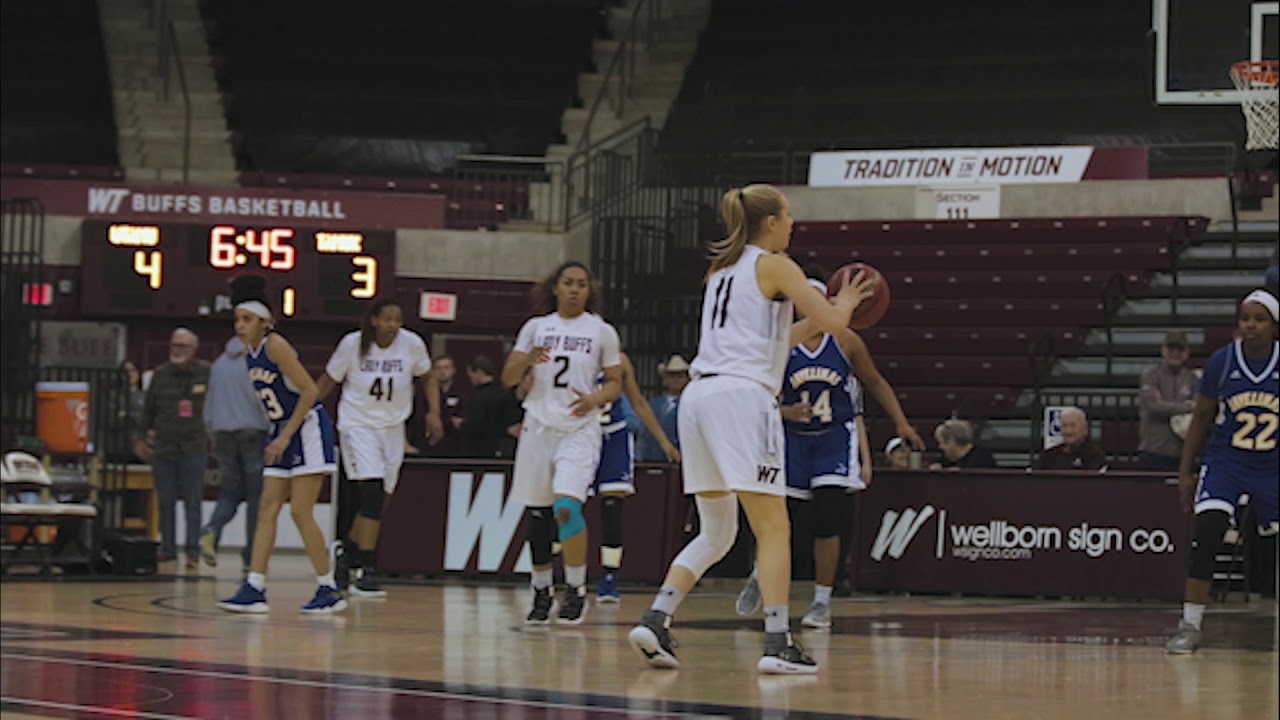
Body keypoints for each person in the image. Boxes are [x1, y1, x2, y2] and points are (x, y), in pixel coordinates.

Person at [627, 183, 876, 675]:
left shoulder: (721, 272)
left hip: (700, 398)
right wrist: (845, 301)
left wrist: (830, 315)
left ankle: (656, 618)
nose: (792, 225)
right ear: (771, 222)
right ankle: (778, 640)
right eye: (788, 217)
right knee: (773, 525)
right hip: (742, 398)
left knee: (718, 531)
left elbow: (782, 338)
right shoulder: (777, 264)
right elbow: (830, 319)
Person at [735, 274, 926, 628]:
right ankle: (760, 576)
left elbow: (874, 381)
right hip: (790, 439)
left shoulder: (847, 341)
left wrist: (900, 422)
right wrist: (784, 412)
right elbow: (754, 398)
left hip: (834, 438)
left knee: (828, 519)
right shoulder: (781, 345)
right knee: (781, 521)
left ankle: (822, 601)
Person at [502, 261, 623, 625]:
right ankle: (541, 589)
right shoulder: (536, 328)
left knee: (567, 508)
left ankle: (575, 589)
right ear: (555, 288)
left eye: (581, 284)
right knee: (538, 517)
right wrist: (526, 359)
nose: (574, 289)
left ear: (590, 290)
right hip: (538, 426)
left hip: (578, 428)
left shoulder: (602, 331)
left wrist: (595, 398)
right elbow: (508, 378)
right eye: (568, 283)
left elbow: (616, 382)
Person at [216, 275, 345, 615]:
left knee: (301, 511)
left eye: (246, 320)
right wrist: (278, 433)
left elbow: (310, 391)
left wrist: (287, 435)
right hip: (282, 430)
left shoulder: (276, 345)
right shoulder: (249, 353)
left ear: (265, 321)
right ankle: (255, 585)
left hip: (307, 428)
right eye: (237, 320)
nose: (240, 327)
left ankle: (328, 587)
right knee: (266, 509)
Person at [1167, 289, 1278, 654]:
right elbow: (1201, 418)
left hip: (1271, 465)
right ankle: (1191, 624)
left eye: (1260, 319)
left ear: (1275, 326)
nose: (1251, 325)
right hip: (1226, 462)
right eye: (1245, 318)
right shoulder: (1222, 361)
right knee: (1208, 530)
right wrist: (1186, 471)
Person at [314, 297, 442, 598]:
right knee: (370, 493)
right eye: (387, 319)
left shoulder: (411, 344)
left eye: (398, 319)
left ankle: (346, 552)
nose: (393, 325)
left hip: (393, 428)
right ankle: (365, 569)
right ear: (374, 320)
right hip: (358, 425)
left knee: (379, 499)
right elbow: (327, 381)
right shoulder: (352, 344)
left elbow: (428, 378)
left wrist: (433, 413)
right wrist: (303, 411)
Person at [594, 351, 681, 603]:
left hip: (614, 436)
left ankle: (609, 577)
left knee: (612, 507)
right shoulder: (570, 352)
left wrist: (664, 442)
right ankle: (564, 578)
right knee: (567, 508)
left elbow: (638, 403)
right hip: (579, 434)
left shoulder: (619, 360)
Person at [134, 328, 210, 568]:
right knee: (165, 501)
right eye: (174, 346)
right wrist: (139, 438)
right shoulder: (160, 375)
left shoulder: (206, 373)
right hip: (164, 448)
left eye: (182, 346)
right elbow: (148, 410)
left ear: (193, 350)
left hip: (194, 447)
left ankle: (193, 550)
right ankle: (167, 547)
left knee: (193, 502)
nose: (177, 350)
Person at [199, 335, 271, 571]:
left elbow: (208, 405)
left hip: (222, 433)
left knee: (230, 491)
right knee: (256, 499)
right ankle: (251, 557)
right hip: (253, 432)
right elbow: (261, 400)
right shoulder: (254, 361)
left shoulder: (219, 364)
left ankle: (212, 529)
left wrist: (211, 433)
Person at [1137, 331, 1199, 472]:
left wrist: (1166, 405)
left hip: (1183, 453)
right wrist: (1187, 406)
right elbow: (1154, 406)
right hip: (1153, 451)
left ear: (1186, 353)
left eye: (1180, 349)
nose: (1175, 353)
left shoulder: (1192, 378)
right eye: (1171, 348)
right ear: (1163, 350)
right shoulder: (1151, 375)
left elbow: (1198, 407)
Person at [633, 354, 689, 462]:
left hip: (679, 460)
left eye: (680, 376)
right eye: (672, 376)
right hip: (650, 458)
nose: (675, 380)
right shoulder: (653, 404)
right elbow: (643, 432)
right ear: (665, 380)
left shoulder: (689, 405)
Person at [461, 356, 510, 458]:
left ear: (479, 372)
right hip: (500, 447)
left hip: (479, 449)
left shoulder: (479, 396)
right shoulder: (503, 392)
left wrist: (462, 424)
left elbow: (477, 423)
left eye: (471, 375)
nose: (471, 379)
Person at [1035, 407, 1107, 471]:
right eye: (1064, 426)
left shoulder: (1094, 455)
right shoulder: (1048, 456)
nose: (1068, 431)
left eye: (1073, 426)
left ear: (1084, 429)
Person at [928, 419, 997, 470]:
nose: (940, 447)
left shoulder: (982, 456)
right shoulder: (947, 458)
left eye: (941, 443)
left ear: (952, 441)